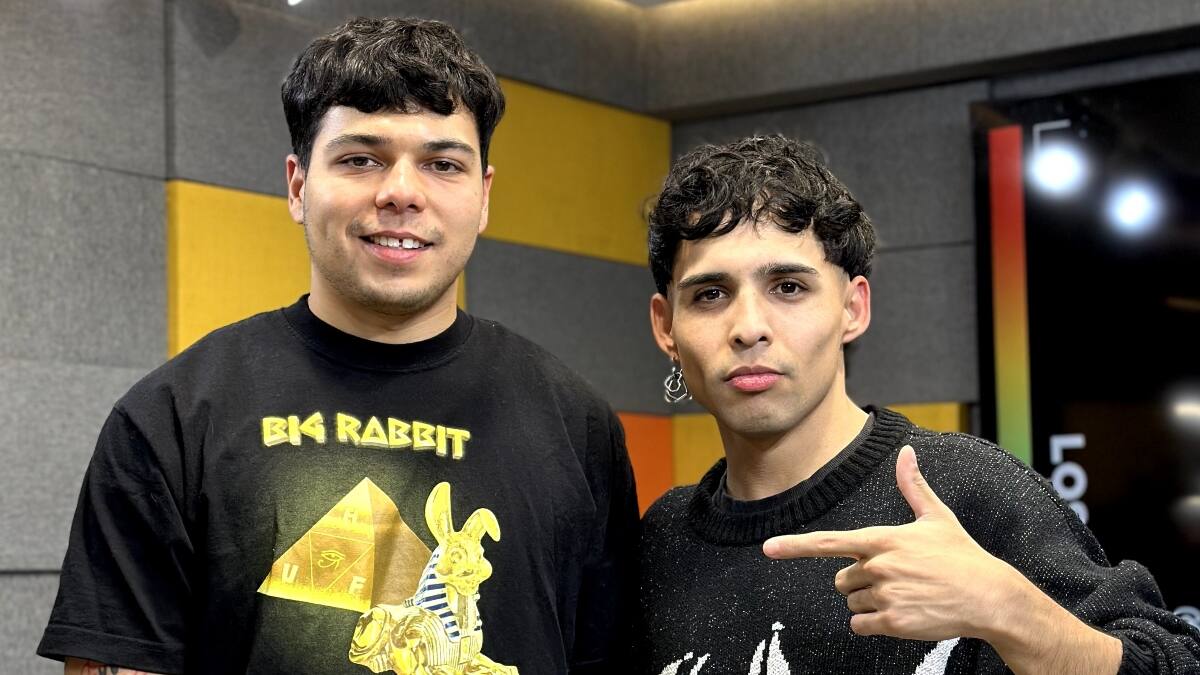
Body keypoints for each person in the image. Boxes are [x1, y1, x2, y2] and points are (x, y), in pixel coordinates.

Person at [37, 17, 638, 675]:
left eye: (443, 164)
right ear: (298, 186)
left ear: (484, 195)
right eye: (360, 159)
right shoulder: (170, 419)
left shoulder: (575, 424)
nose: (401, 192)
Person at [636, 134, 1200, 674]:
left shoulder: (967, 489)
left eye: (788, 287)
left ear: (853, 309)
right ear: (666, 327)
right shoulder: (663, 539)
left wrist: (1010, 612)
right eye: (710, 294)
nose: (748, 327)